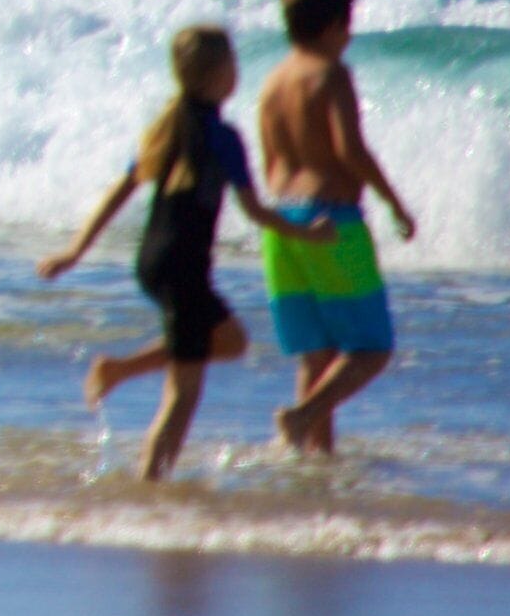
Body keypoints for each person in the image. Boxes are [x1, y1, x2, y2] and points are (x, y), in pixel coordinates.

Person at [40, 23, 333, 482]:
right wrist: (308, 234)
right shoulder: (222, 137)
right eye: (233, 63)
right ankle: (150, 487)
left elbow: (121, 191)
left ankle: (119, 370)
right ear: (218, 75)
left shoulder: (169, 126)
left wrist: (76, 250)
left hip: (155, 263)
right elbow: (255, 210)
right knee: (182, 393)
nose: (238, 72)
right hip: (184, 271)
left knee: (231, 341)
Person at [258, 0, 414, 456]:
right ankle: (302, 417)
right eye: (347, 27)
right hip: (332, 222)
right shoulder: (331, 73)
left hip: (283, 223)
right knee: (371, 348)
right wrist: (392, 201)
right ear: (330, 28)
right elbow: (351, 150)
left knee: (316, 352)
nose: (349, 37)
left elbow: (269, 163)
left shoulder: (274, 80)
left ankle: (316, 461)